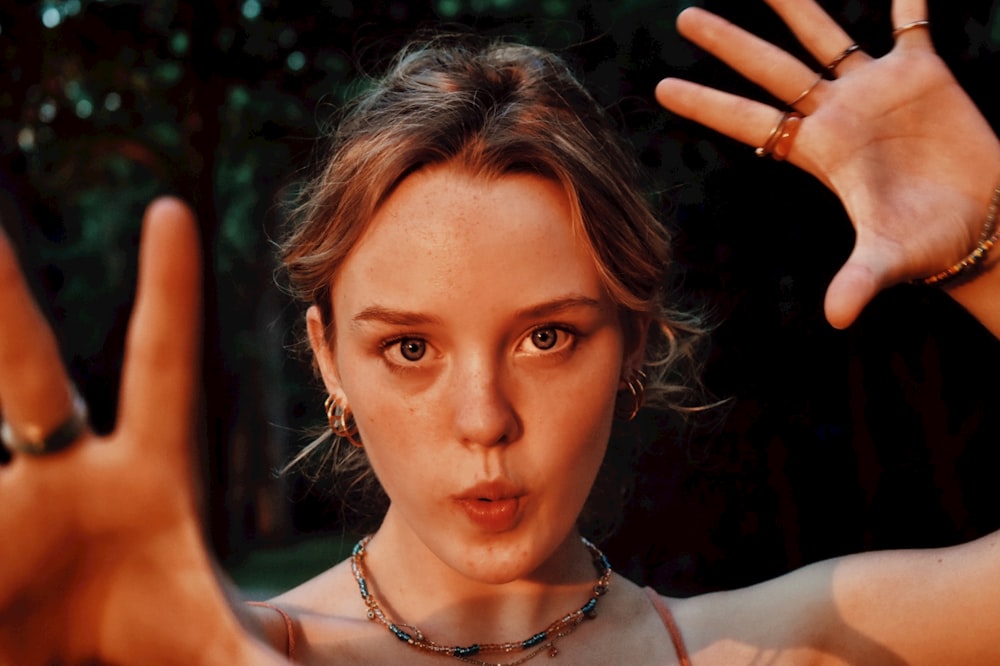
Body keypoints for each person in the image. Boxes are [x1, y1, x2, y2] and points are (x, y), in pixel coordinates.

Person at [1, 0, 998, 664]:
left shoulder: (773, 649)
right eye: (409, 349)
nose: (483, 420)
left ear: (632, 343)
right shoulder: (205, 647)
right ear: (327, 361)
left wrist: (990, 244)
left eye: (546, 338)